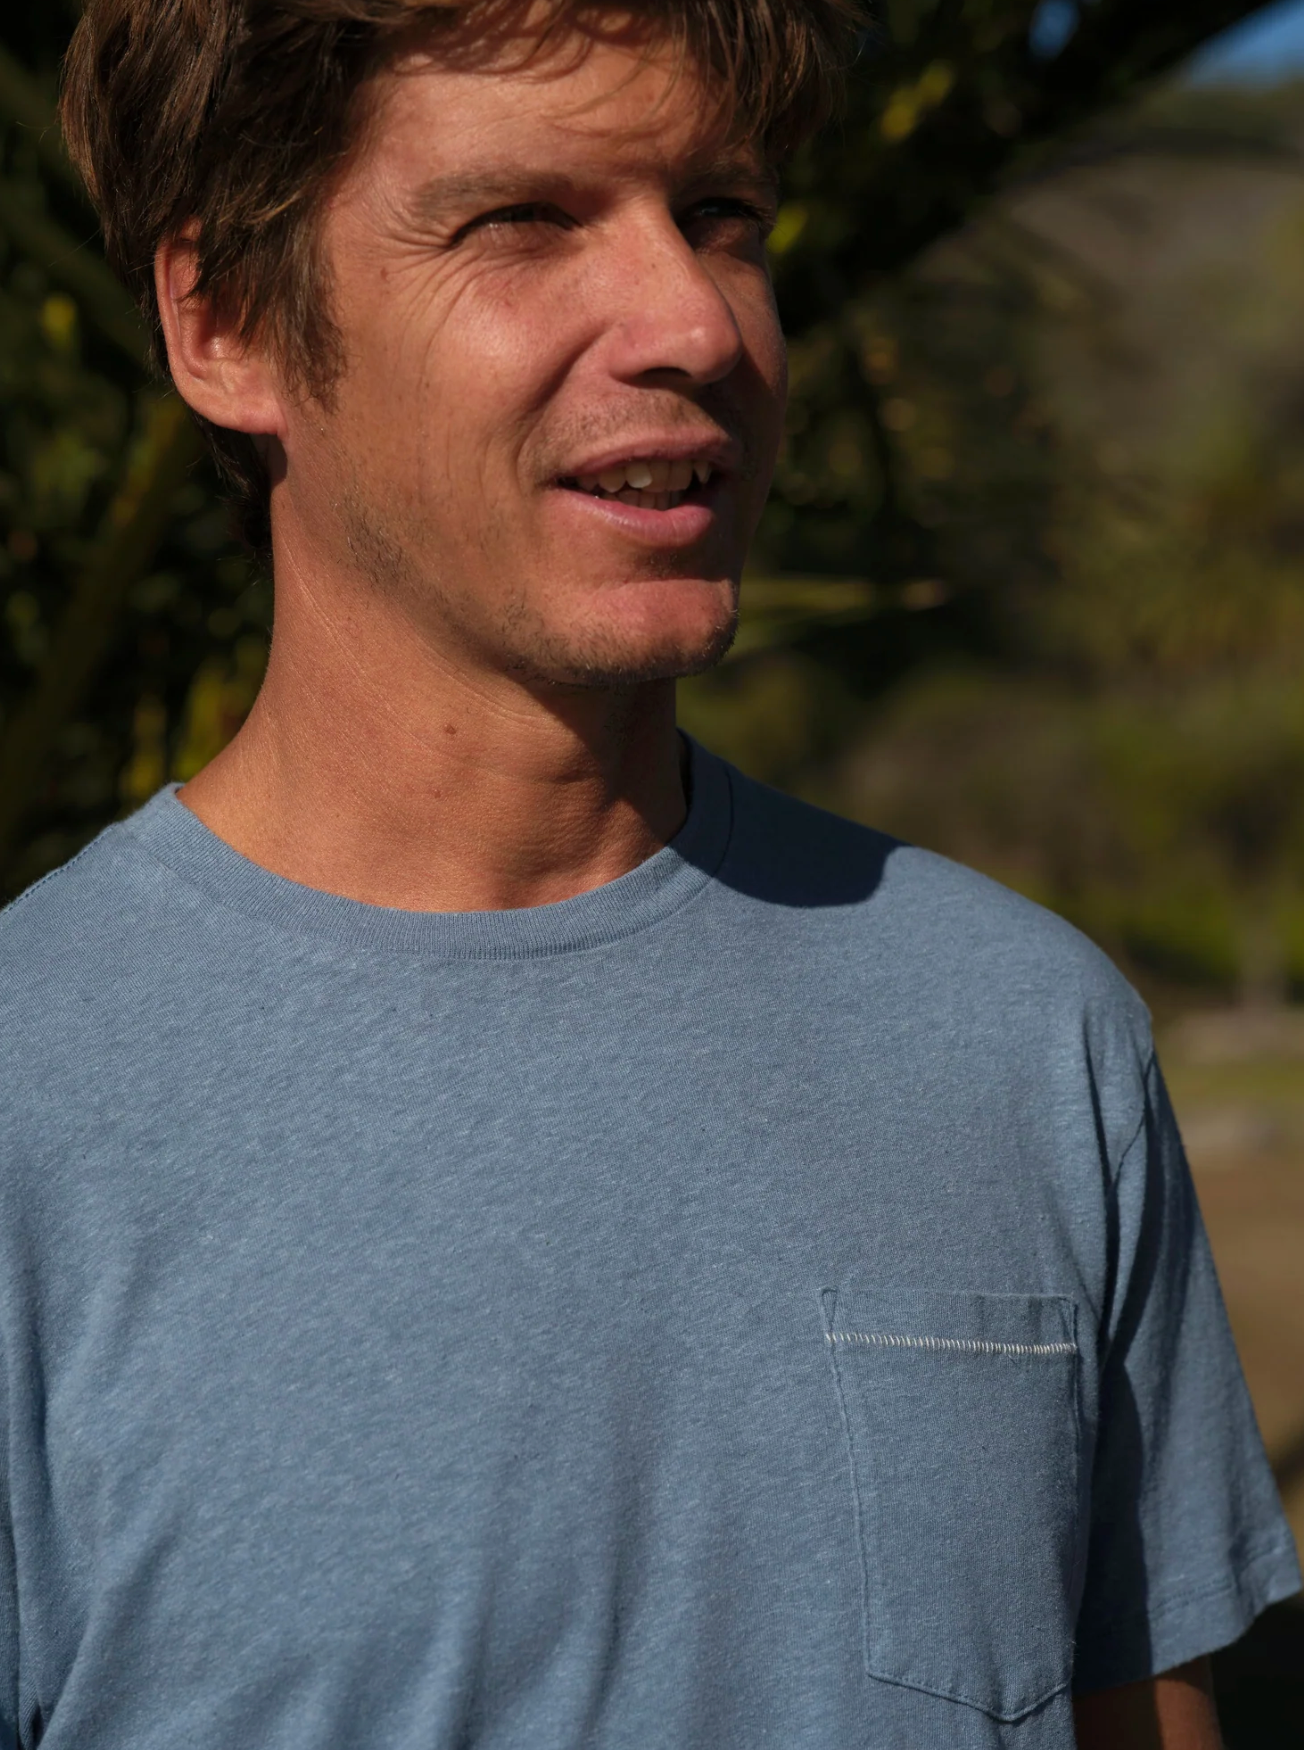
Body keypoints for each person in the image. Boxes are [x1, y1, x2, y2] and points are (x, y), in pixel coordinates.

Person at [0, 1, 1295, 1745]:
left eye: (723, 216)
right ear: (222, 321)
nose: (694, 320)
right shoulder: (34, 1099)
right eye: (521, 222)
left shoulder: (1023, 1037)